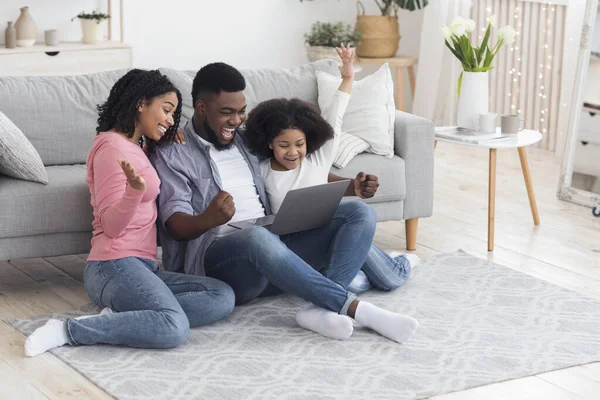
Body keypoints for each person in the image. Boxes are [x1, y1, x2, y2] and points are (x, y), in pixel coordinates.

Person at [150, 63, 419, 343]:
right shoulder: (173, 153)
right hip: (224, 262)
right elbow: (174, 225)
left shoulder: (245, 140)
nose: (236, 120)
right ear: (202, 108)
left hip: (276, 248)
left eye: (241, 111)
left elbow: (296, 168)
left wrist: (352, 186)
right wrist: (209, 218)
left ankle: (325, 309)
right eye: (226, 112)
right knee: (255, 236)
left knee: (358, 214)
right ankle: (356, 308)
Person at [24, 69, 235, 357]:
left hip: (145, 266)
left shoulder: (137, 146)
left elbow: (152, 151)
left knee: (222, 296)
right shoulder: (111, 148)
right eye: (166, 110)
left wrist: (167, 136)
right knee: (173, 327)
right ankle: (68, 330)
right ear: (141, 103)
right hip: (112, 264)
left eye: (173, 115)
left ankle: (128, 317)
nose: (170, 120)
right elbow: (111, 225)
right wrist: (134, 190)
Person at [244, 44, 419, 294]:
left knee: (387, 279)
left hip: (329, 230)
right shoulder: (261, 170)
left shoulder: (318, 157)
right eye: (283, 145)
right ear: (269, 143)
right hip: (293, 246)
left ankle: (399, 265)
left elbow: (336, 111)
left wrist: (348, 76)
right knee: (359, 282)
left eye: (299, 144)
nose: (293, 152)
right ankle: (358, 277)